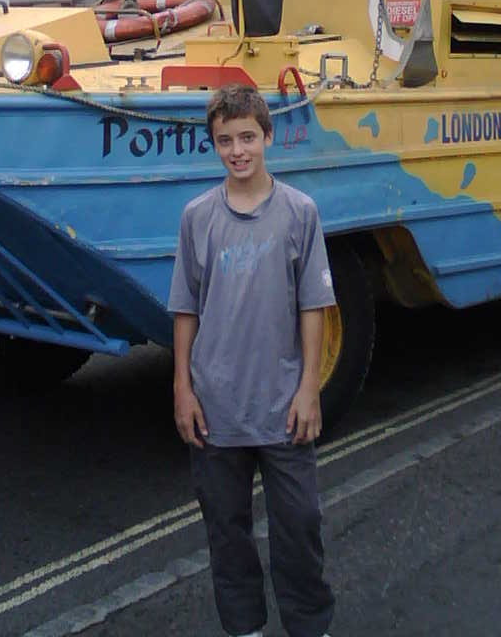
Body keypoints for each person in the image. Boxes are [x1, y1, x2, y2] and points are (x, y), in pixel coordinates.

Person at [169, 84, 336, 637]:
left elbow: (314, 304)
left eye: (247, 137)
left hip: (283, 404)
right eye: (224, 140)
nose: (237, 150)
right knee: (227, 531)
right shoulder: (197, 217)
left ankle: (310, 624)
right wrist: (182, 390)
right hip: (215, 410)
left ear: (269, 137)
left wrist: (309, 387)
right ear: (214, 146)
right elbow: (186, 308)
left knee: (300, 525)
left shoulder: (299, 213)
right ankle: (244, 627)